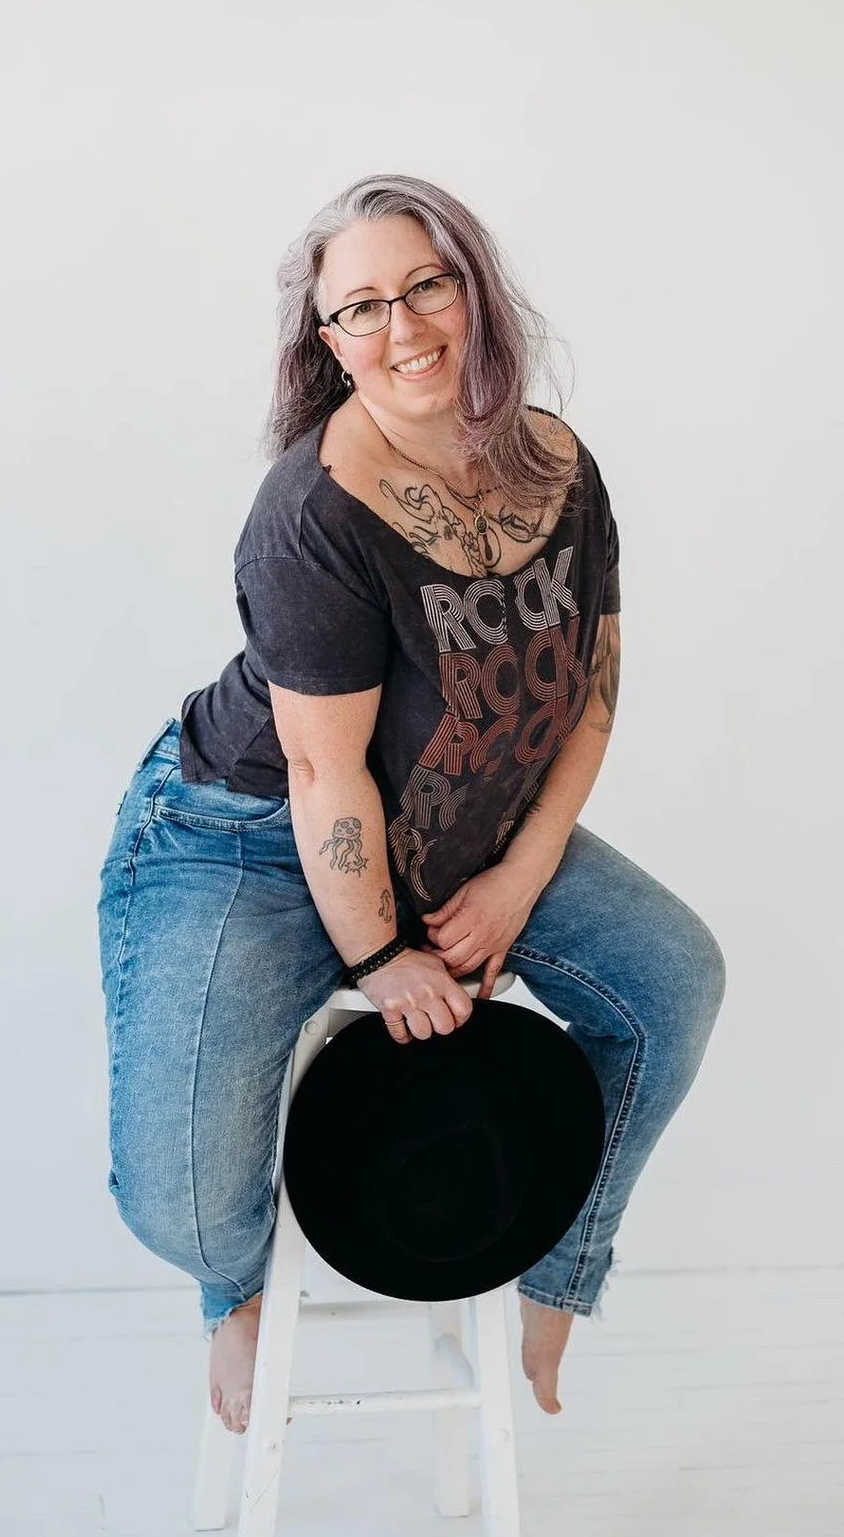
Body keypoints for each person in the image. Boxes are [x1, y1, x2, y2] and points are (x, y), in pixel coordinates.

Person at [97, 173, 726, 1437]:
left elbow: (587, 695)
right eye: (363, 306)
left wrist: (520, 873)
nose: (406, 326)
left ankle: (562, 1274)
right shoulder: (315, 511)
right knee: (185, 1200)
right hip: (254, 833)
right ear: (325, 342)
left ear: (475, 289)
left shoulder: (558, 464)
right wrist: (380, 957)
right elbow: (328, 776)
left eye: (427, 284)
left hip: (467, 825)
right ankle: (234, 1293)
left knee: (675, 978)